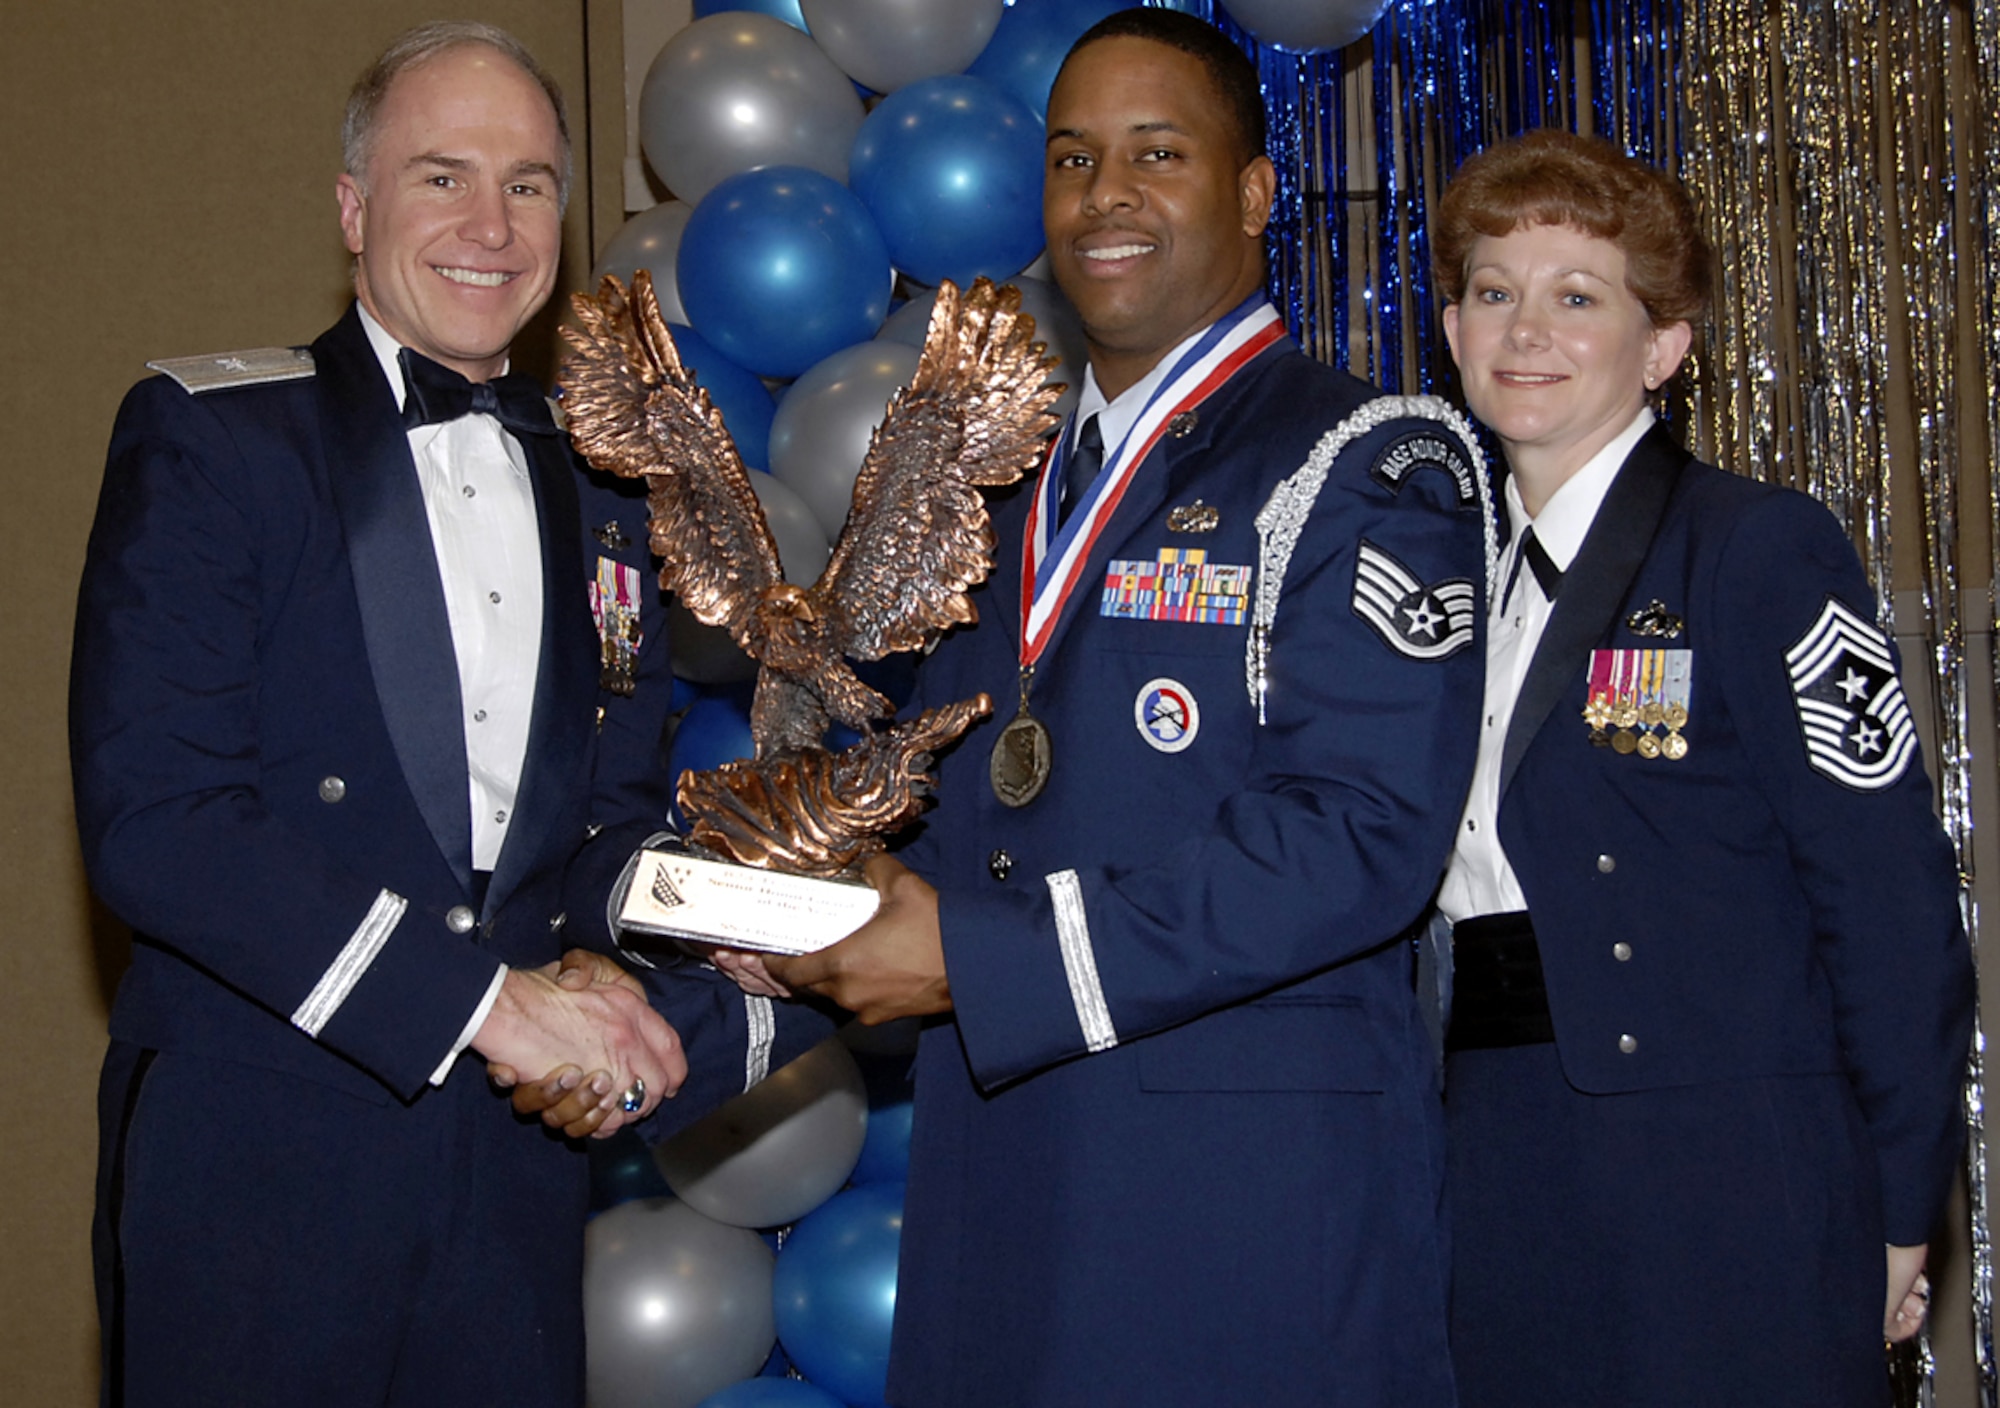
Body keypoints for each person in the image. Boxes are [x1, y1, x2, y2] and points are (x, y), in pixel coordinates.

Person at [713, 11, 1491, 1404]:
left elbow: (1356, 837)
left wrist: (976, 963)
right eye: (1072, 159)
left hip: (1238, 1224)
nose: (1105, 196)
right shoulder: (1002, 498)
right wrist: (769, 925)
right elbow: (929, 808)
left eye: (1156, 154)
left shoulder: (1364, 462)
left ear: (1253, 192)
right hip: (1000, 1191)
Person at [71, 23, 800, 1406]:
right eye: (441, 177)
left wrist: (755, 930)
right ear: (353, 209)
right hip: (262, 1157)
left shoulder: (604, 493)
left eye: (528, 185)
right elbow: (161, 825)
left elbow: (596, 832)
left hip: (511, 1169)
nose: (491, 227)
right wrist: (483, 1007)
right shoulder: (217, 441)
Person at [1429, 128, 1975, 1407]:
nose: (1525, 330)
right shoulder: (1431, 584)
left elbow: (1888, 901)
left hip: (1719, 1173)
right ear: (1450, 331)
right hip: (1487, 1157)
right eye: (1494, 292)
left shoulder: (1757, 548)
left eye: (1578, 297)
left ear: (1663, 346)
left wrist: (1897, 1203)